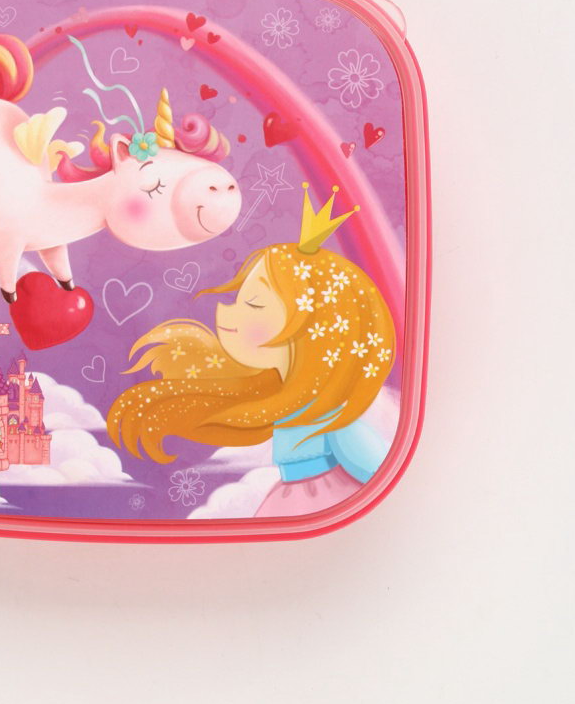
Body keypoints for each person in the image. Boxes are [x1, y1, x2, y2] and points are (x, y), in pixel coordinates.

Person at [107, 185, 396, 516]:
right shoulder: (287, 400)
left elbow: (376, 472)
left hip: (321, 503)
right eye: (238, 299)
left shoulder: (335, 419)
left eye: (255, 304)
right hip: (291, 500)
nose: (226, 313)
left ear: (313, 328)